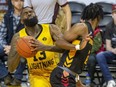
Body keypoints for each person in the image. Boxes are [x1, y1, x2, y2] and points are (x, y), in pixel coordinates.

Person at [7, 7, 64, 87]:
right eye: (25, 13)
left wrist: (44, 47)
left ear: (37, 17)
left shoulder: (51, 28)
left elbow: (65, 49)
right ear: (22, 21)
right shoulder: (18, 37)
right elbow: (11, 68)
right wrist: (19, 51)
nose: (29, 13)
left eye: (31, 11)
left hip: (56, 72)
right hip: (37, 76)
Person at [49, 3, 104, 87]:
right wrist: (77, 47)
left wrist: (80, 84)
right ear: (98, 18)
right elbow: (59, 42)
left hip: (70, 77)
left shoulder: (91, 34)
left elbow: (76, 63)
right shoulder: (82, 27)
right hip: (62, 75)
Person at [0, 0, 26, 86]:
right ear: (12, 2)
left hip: (22, 46)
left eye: (22, 0)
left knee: (26, 52)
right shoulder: (7, 16)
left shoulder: (28, 15)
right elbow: (1, 35)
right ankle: (5, 75)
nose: (19, 3)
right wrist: (6, 47)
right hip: (7, 46)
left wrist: (14, 48)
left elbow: (29, 36)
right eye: (16, 0)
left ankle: (17, 77)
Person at [96, 4, 116, 87]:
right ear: (112, 15)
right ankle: (110, 80)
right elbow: (107, 46)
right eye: (115, 13)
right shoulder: (109, 26)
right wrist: (113, 50)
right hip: (113, 52)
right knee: (100, 56)